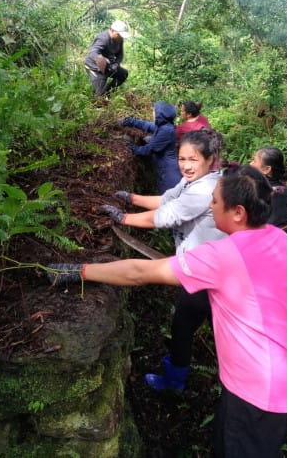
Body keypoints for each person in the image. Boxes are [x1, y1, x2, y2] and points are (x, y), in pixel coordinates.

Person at [47, 166, 287, 458]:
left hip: (258, 391)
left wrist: (80, 271)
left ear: (238, 212)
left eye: (215, 201)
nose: (210, 207)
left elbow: (140, 272)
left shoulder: (223, 256)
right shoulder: (283, 242)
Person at [100, 129, 226, 390]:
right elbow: (167, 200)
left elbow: (167, 216)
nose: (186, 166)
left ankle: (176, 382)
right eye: (182, 159)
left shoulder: (206, 189)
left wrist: (124, 218)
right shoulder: (193, 181)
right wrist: (132, 199)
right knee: (197, 325)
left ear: (211, 159)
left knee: (185, 327)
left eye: (193, 160)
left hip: (207, 274)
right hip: (199, 265)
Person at [118, 101, 182, 194]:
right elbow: (146, 125)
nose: (153, 113)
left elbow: (149, 150)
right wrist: (129, 121)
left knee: (167, 201)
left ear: (160, 114)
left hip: (168, 174)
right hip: (164, 170)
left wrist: (131, 148)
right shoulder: (164, 126)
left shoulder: (166, 130)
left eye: (154, 111)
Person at [250, 146, 287, 234]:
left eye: (255, 161)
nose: (251, 164)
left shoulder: (260, 191)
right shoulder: (285, 190)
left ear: (267, 169)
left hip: (266, 240)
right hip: (283, 239)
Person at [84, 20, 130, 97]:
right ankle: (100, 96)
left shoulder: (119, 39)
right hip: (94, 66)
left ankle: (107, 94)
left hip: (108, 66)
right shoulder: (103, 39)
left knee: (123, 74)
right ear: (112, 30)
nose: (120, 37)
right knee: (99, 93)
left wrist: (116, 63)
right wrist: (105, 61)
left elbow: (120, 55)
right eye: (119, 34)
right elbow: (92, 53)